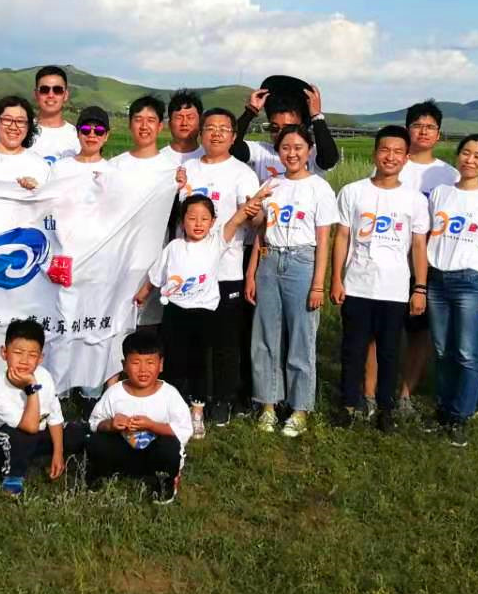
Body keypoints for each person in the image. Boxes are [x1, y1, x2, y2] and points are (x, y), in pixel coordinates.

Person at [134, 186, 266, 424]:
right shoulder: (173, 247)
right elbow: (155, 276)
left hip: (204, 314)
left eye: (204, 219)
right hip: (175, 312)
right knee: (174, 360)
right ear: (182, 220)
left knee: (199, 361)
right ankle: (174, 406)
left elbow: (236, 220)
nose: (198, 224)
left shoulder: (215, 243)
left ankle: (197, 407)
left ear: (213, 222)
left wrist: (255, 200)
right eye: (192, 218)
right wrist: (142, 295)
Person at [331, 125, 431, 434]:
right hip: (357, 285)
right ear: (375, 153)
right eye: (385, 150)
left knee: (389, 352)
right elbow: (343, 236)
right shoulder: (353, 191)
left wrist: (420, 288)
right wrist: (336, 278)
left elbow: (418, 245)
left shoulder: (414, 200)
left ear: (406, 157)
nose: (390, 157)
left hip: (395, 289)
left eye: (398, 152)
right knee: (353, 349)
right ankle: (349, 404)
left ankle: (386, 408)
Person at [168, 108, 262, 423]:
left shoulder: (242, 173)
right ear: (201, 133)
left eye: (224, 128)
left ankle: (223, 398)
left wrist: (258, 212)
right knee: (188, 340)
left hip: (227, 271)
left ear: (234, 136)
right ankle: (188, 398)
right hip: (187, 273)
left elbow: (257, 219)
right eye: (210, 127)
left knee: (224, 341)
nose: (217, 133)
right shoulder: (187, 168)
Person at [246, 124, 338, 438]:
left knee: (301, 337)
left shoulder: (319, 187)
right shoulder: (271, 183)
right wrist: (252, 273)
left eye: (298, 147)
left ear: (309, 150)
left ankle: (299, 409)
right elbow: (259, 230)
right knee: (266, 337)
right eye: (286, 147)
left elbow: (324, 240)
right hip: (269, 260)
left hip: (302, 261)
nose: (292, 153)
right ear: (279, 151)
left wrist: (318, 284)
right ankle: (269, 404)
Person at [424, 135, 478, 447]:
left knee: (468, 353)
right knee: (443, 350)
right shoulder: (441, 193)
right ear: (458, 156)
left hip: (471, 281)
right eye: (466, 153)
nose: (470, 160)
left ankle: (461, 416)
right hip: (437, 279)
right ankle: (443, 409)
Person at [0, 319, 88, 498]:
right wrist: (31, 388)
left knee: (75, 433)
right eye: (18, 352)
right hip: (7, 438)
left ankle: (42, 458)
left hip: (37, 431)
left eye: (32, 355)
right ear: (4, 353)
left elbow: (54, 415)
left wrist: (58, 453)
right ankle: (13, 475)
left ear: (41, 358)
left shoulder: (44, 376)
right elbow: (28, 426)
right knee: (22, 436)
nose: (24, 360)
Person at [396, 100, 460, 417]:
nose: (423, 131)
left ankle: (405, 393)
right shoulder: (394, 163)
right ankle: (375, 389)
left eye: (430, 127)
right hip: (390, 261)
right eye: (417, 125)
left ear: (438, 133)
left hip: (428, 264)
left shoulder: (448, 174)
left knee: (419, 332)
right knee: (385, 331)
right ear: (408, 130)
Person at [86, 329, 194, 504]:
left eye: (150, 362)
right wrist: (111, 424)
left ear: (161, 365)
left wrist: (151, 426)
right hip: (123, 452)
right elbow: (94, 422)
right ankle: (100, 472)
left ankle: (164, 481)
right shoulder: (115, 393)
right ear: (124, 365)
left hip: (154, 455)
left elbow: (183, 430)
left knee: (169, 446)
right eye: (135, 363)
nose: (143, 370)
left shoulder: (169, 394)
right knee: (96, 442)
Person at [230, 75, 340, 178]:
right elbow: (231, 146)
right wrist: (250, 111)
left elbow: (329, 159)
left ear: (302, 128)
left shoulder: (311, 153)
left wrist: (316, 116)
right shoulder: (260, 152)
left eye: (288, 128)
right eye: (274, 128)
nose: (280, 134)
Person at [107, 95, 175, 181]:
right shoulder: (113, 166)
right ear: (130, 125)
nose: (144, 126)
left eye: (150, 120)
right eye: (138, 120)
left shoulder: (173, 170)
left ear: (160, 126)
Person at [30, 66, 79, 164]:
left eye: (57, 90)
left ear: (65, 95)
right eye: (44, 90)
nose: (51, 95)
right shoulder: (21, 131)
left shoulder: (77, 136)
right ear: (36, 94)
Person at [50, 105, 111, 182]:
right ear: (78, 133)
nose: (92, 135)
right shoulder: (60, 167)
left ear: (106, 136)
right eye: (86, 129)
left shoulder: (112, 172)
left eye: (99, 131)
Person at [161, 89, 204, 167]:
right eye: (179, 117)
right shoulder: (157, 160)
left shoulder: (210, 158)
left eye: (190, 117)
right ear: (169, 124)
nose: (184, 123)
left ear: (200, 122)